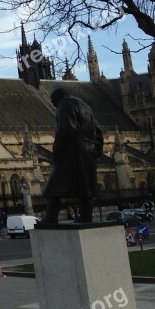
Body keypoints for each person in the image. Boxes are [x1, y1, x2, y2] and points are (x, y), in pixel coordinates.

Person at [42, 87, 104, 224]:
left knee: (52, 188)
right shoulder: (85, 106)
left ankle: (51, 217)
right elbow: (98, 132)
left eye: (53, 101)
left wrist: (57, 151)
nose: (53, 105)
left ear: (59, 97)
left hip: (72, 152)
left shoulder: (65, 105)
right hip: (88, 152)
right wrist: (95, 153)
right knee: (85, 189)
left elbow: (66, 129)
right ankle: (86, 217)